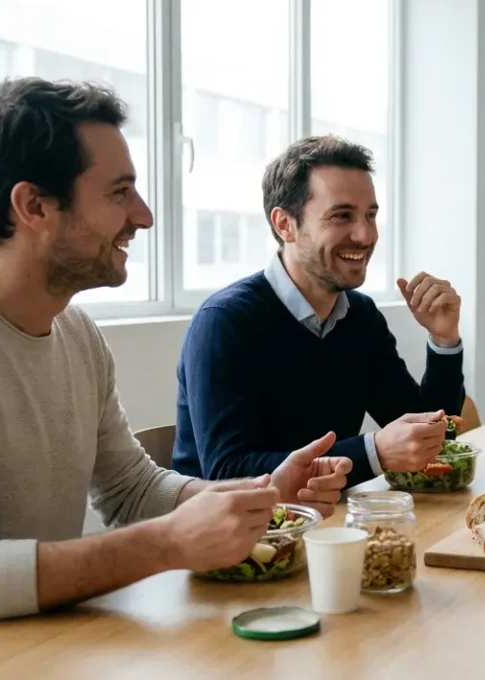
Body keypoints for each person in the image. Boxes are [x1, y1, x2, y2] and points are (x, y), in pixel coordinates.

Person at [0, 78, 351, 675]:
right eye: (120, 192)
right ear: (33, 207)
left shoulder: (74, 332)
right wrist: (166, 543)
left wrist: (259, 496)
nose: (144, 216)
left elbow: (130, 492)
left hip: (36, 648)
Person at [171, 135, 467, 489]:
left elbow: (433, 439)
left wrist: (443, 339)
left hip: (329, 522)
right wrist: (373, 451)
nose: (365, 235)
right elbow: (228, 470)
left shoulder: (361, 316)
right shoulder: (225, 321)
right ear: (285, 225)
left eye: (370, 216)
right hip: (234, 535)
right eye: (342, 216)